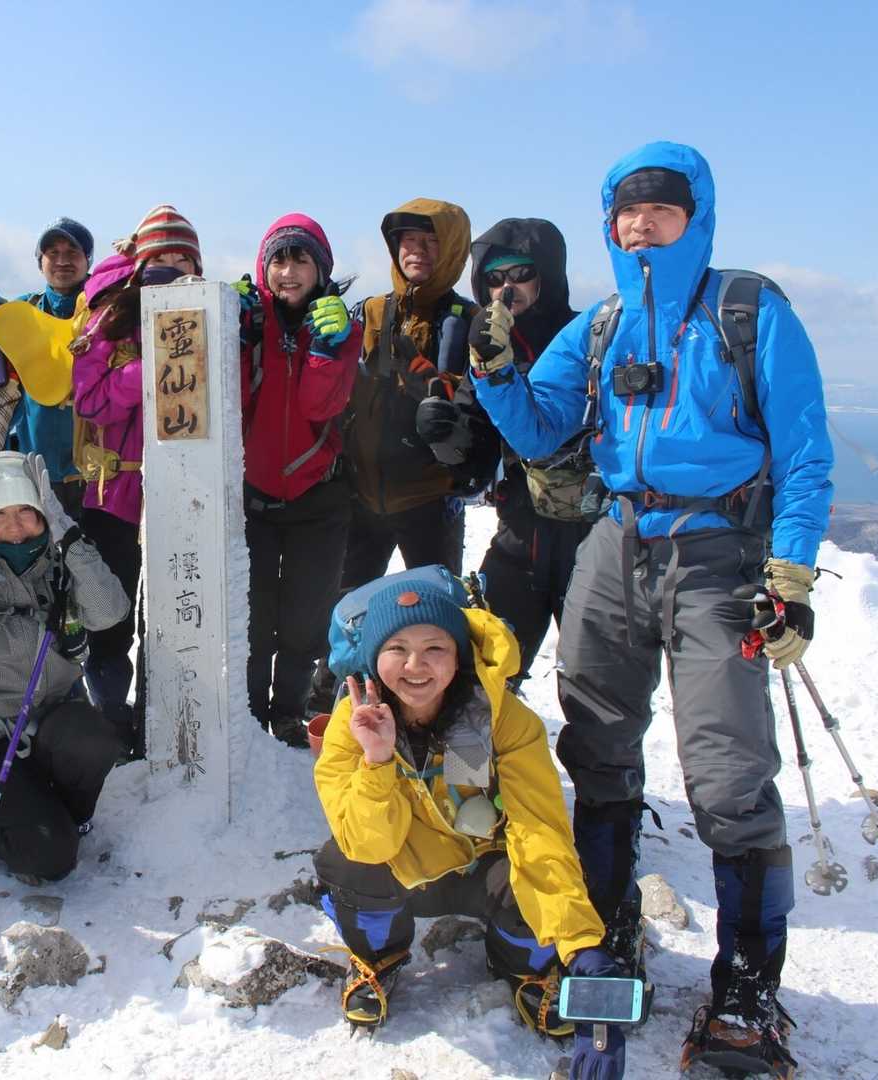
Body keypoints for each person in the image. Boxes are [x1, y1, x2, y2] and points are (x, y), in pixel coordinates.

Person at [471, 142, 833, 1077]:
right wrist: (496, 373)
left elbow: (804, 451)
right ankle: (609, 931)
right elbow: (543, 428)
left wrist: (790, 576)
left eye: (660, 208)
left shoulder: (748, 311)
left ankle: (747, 990)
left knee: (727, 774)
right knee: (596, 745)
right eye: (626, 212)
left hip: (718, 552)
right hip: (617, 538)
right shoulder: (602, 325)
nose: (640, 223)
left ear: (694, 218)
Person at [312, 580, 626, 1079]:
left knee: (538, 876)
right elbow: (369, 843)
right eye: (397, 649)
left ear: (459, 655)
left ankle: (522, 965)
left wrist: (580, 944)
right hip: (400, 864)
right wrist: (377, 760)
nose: (415, 666)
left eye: (435, 648)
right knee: (346, 861)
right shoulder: (354, 723)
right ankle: (380, 955)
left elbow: (539, 827)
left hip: (482, 863)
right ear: (374, 657)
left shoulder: (498, 718)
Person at [0, 452, 129, 883]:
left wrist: (69, 535)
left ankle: (47, 813)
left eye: (26, 512)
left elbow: (110, 611)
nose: (15, 527)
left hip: (54, 724)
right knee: (51, 859)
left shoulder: (62, 562)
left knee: (94, 740)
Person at [70, 203, 204, 754]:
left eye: (183, 258)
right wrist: (149, 367)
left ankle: (164, 717)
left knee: (174, 612)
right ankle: (109, 716)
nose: (172, 268)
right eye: (162, 256)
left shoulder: (205, 316)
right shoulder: (110, 320)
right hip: (115, 494)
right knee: (113, 614)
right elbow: (90, 401)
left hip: (181, 492)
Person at [239, 215, 359, 746]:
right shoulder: (246, 320)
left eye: (301, 260)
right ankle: (247, 711)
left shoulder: (339, 329)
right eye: (279, 260)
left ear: (321, 268)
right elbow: (232, 400)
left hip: (319, 497)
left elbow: (318, 405)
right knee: (253, 616)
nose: (288, 272)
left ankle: (287, 711)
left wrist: (328, 348)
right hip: (253, 498)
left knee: (305, 619)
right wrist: (237, 333)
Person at [343, 198, 500, 582]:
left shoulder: (474, 323)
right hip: (362, 498)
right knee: (349, 610)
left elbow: (486, 406)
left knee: (436, 609)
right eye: (408, 240)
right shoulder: (370, 313)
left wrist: (437, 388)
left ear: (452, 250)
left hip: (432, 501)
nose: (417, 250)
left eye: (431, 241)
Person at [464, 219, 590, 687]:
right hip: (519, 531)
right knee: (484, 676)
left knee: (598, 690)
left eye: (520, 274)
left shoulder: (587, 335)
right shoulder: (485, 342)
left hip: (590, 540)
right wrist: (448, 437)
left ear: (546, 276)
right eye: (495, 278)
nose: (507, 288)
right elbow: (473, 438)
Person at [12, 217, 94, 518]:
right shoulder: (22, 313)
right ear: (40, 262)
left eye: (72, 252)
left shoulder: (106, 311)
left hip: (96, 473)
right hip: (36, 471)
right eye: (53, 253)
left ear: (88, 260)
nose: (62, 261)